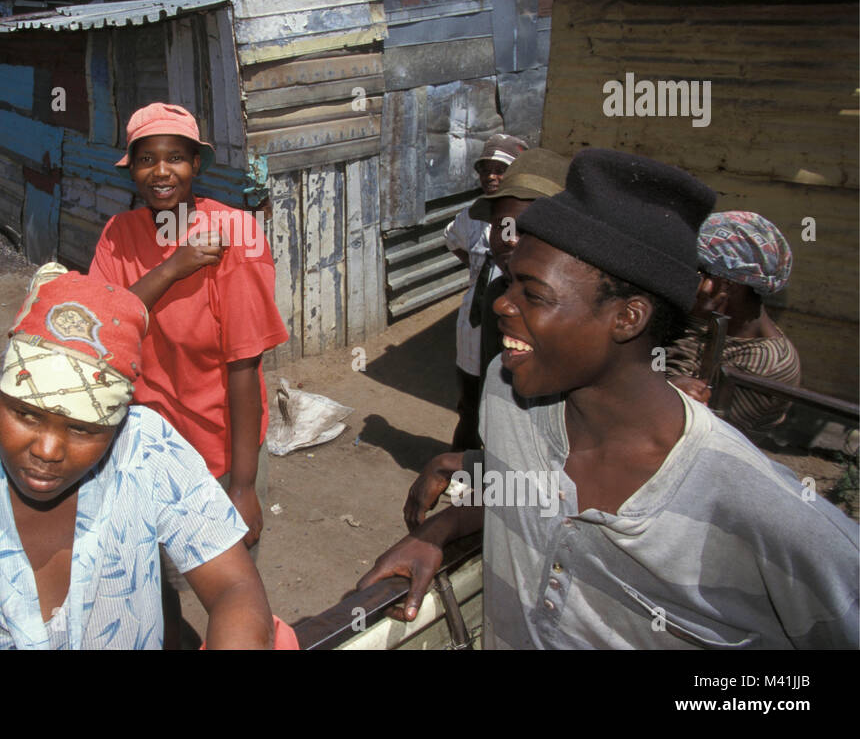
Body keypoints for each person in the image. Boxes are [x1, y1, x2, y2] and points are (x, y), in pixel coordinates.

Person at [361, 148, 859, 649]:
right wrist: (445, 525)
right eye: (509, 281)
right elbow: (537, 497)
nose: (501, 303)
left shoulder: (777, 524)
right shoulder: (506, 393)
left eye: (532, 293)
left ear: (628, 318)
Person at [0, 265, 275, 649]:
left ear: (117, 426)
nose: (47, 450)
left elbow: (233, 587)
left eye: (83, 429)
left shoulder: (145, 453)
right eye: (24, 414)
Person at [88, 102, 288, 646]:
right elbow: (102, 327)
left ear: (196, 165)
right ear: (130, 169)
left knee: (230, 594)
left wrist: (243, 486)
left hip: (219, 451)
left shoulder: (234, 234)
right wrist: (174, 267)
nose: (161, 171)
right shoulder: (118, 234)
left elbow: (244, 366)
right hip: (138, 453)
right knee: (147, 586)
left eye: (176, 157)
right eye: (146, 159)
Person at [403, 148, 569, 530]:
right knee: (473, 408)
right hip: (508, 495)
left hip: (549, 507)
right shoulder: (501, 302)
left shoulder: (570, 321)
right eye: (500, 227)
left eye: (521, 229)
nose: (508, 240)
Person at [665, 211, 802, 436]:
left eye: (698, 270)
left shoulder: (767, 366)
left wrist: (694, 325)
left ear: (726, 286)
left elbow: (695, 433)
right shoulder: (712, 324)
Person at [443, 133, 528, 451]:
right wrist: (478, 270)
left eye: (500, 169)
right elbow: (452, 239)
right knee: (469, 404)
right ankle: (463, 467)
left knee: (504, 408)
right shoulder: (473, 216)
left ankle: (494, 475)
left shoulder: (532, 220)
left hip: (510, 332)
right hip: (471, 326)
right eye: (485, 169)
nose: (491, 176)